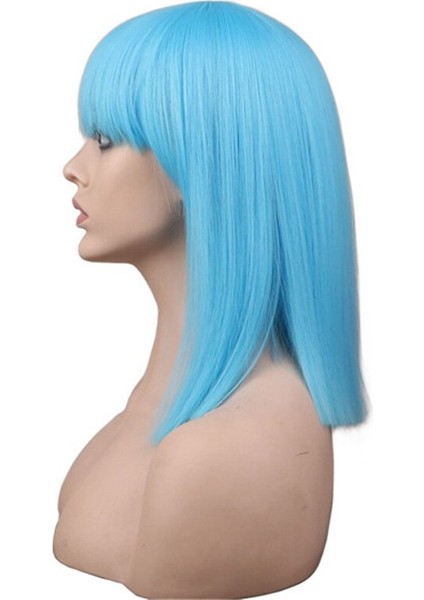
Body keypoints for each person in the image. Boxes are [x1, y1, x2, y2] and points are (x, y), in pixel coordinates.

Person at [53, 2, 369, 598]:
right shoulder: (162, 404)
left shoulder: (222, 450)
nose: (73, 168)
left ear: (201, 161)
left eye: (106, 140)